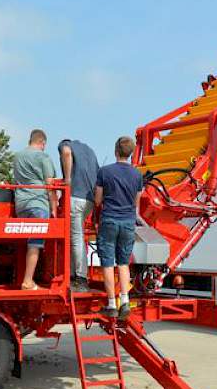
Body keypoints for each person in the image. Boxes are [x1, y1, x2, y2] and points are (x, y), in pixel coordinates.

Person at [94, 136, 144, 320]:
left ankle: (111, 304)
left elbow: (98, 200)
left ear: (116, 151)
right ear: (130, 153)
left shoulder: (105, 172)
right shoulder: (137, 175)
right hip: (128, 221)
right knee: (123, 262)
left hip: (109, 220)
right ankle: (124, 300)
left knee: (107, 263)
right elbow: (136, 202)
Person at [12, 129, 58, 291]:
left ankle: (26, 277)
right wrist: (54, 208)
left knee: (29, 241)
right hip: (38, 203)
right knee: (35, 243)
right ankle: (28, 281)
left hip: (21, 204)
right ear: (42, 143)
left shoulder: (17, 157)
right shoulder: (42, 157)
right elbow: (50, 185)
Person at [58, 139, 100, 293]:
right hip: (88, 200)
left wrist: (67, 179)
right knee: (74, 236)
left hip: (75, 197)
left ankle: (80, 278)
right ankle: (72, 274)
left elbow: (66, 153)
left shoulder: (65, 145)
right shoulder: (89, 150)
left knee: (75, 237)